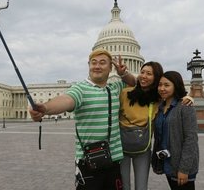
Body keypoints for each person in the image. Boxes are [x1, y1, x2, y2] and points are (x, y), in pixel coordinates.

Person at [29, 48, 136, 190]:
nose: (97, 66)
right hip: (88, 162)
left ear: (111, 67)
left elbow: (133, 83)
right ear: (89, 66)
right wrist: (45, 109)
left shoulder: (115, 87)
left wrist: (123, 73)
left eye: (102, 63)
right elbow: (66, 100)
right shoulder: (80, 88)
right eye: (93, 62)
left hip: (114, 161)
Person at [119, 63, 193, 190]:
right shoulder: (125, 93)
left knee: (141, 187)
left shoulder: (159, 99)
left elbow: (174, 99)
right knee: (123, 186)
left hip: (143, 148)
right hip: (121, 147)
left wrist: (188, 97)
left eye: (149, 73)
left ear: (156, 78)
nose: (143, 76)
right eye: (142, 72)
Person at [153, 71, 199, 190]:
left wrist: (184, 169)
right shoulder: (160, 107)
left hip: (182, 165)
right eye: (160, 85)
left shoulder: (185, 106)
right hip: (168, 163)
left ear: (176, 86)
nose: (162, 88)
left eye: (167, 85)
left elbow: (191, 139)